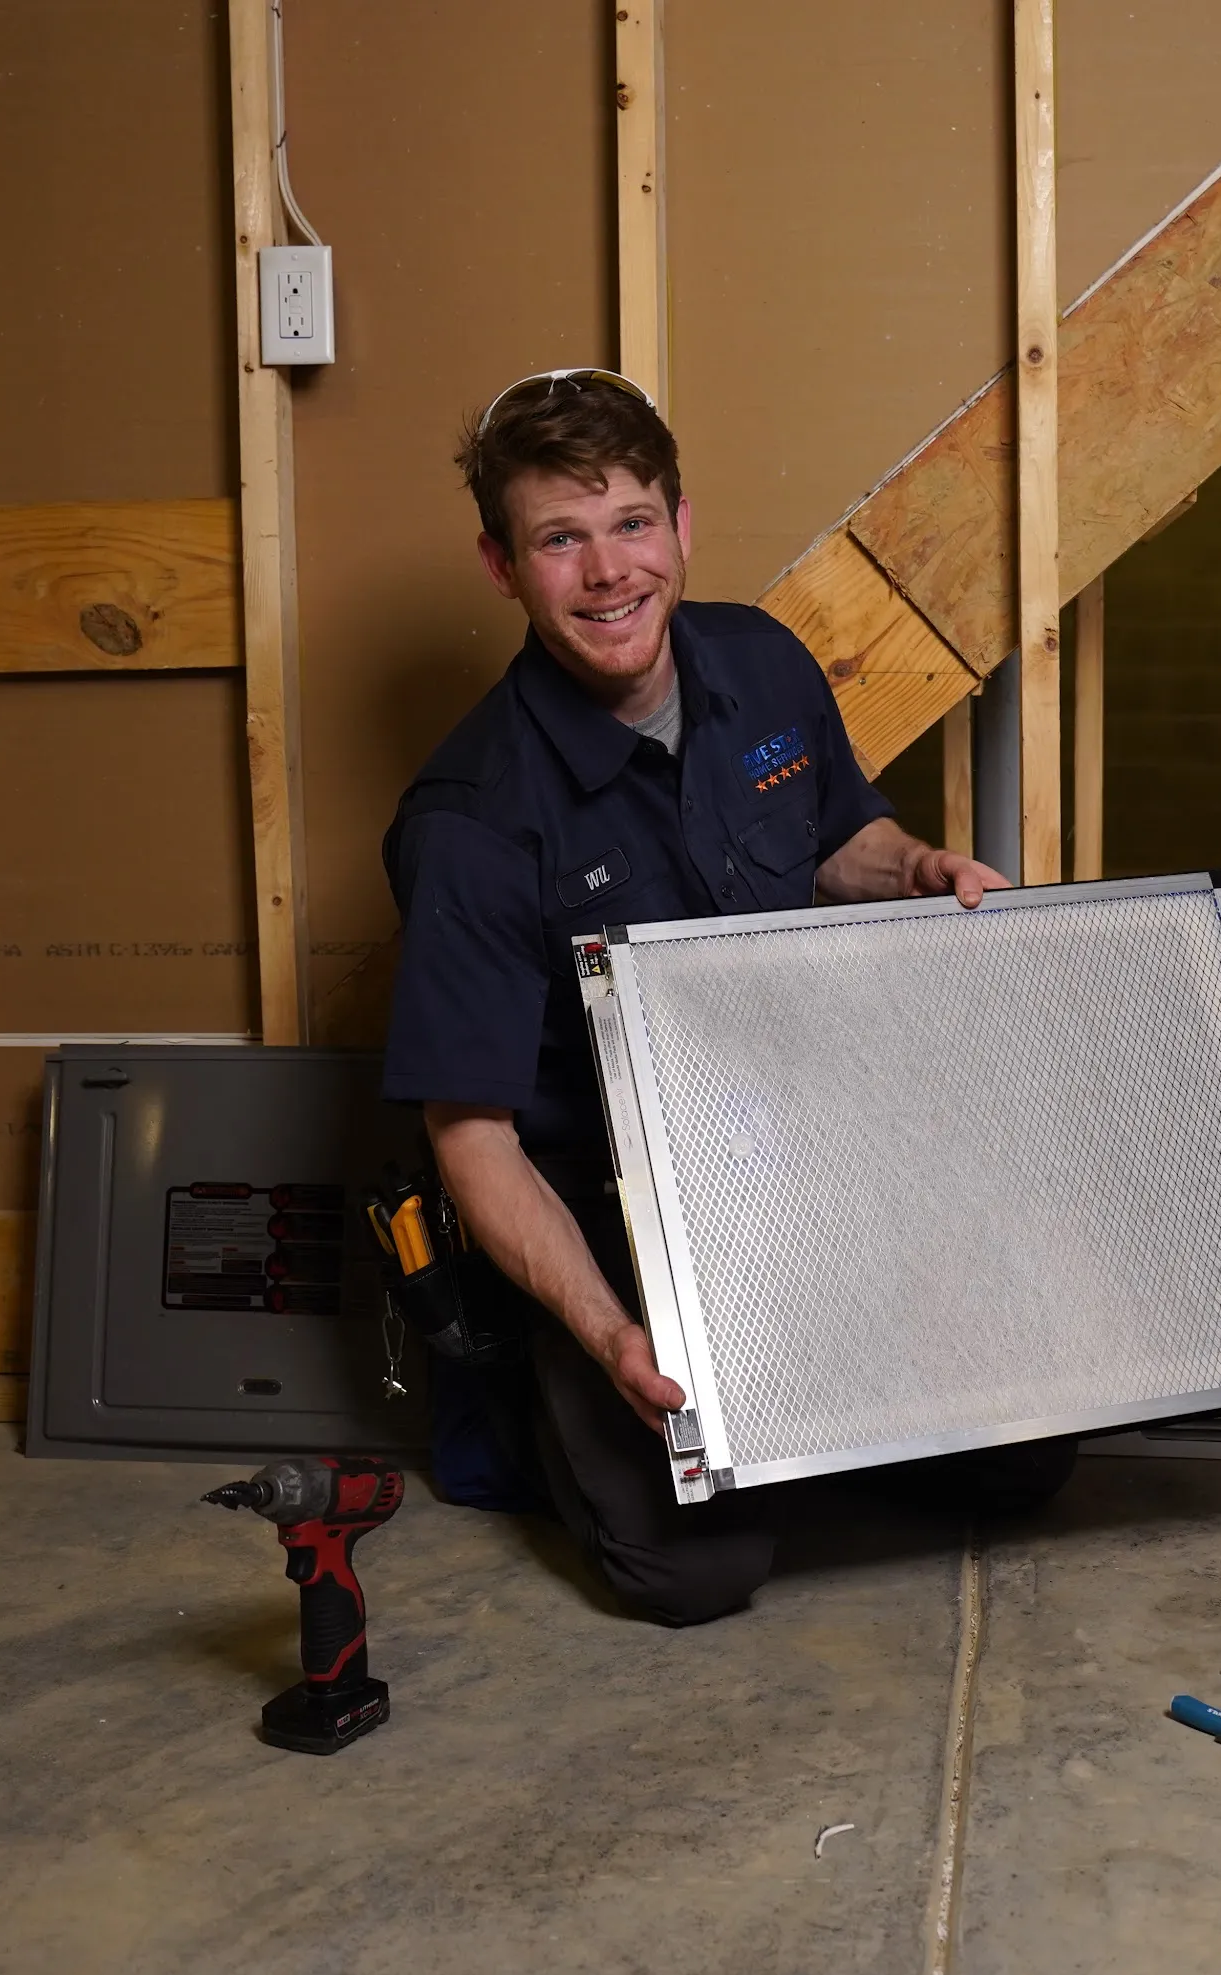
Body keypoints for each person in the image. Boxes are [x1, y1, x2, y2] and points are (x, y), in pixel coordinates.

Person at [382, 368, 1077, 1625]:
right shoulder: (471, 822)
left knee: (1021, 1460)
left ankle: (806, 1398)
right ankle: (551, 1398)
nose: (609, 572)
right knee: (692, 1570)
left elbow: (836, 836)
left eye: (631, 523)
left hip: (800, 1154)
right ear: (502, 566)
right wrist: (607, 1333)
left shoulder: (762, 662)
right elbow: (472, 1138)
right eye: (560, 539)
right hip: (614, 1213)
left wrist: (916, 868)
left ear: (681, 525)